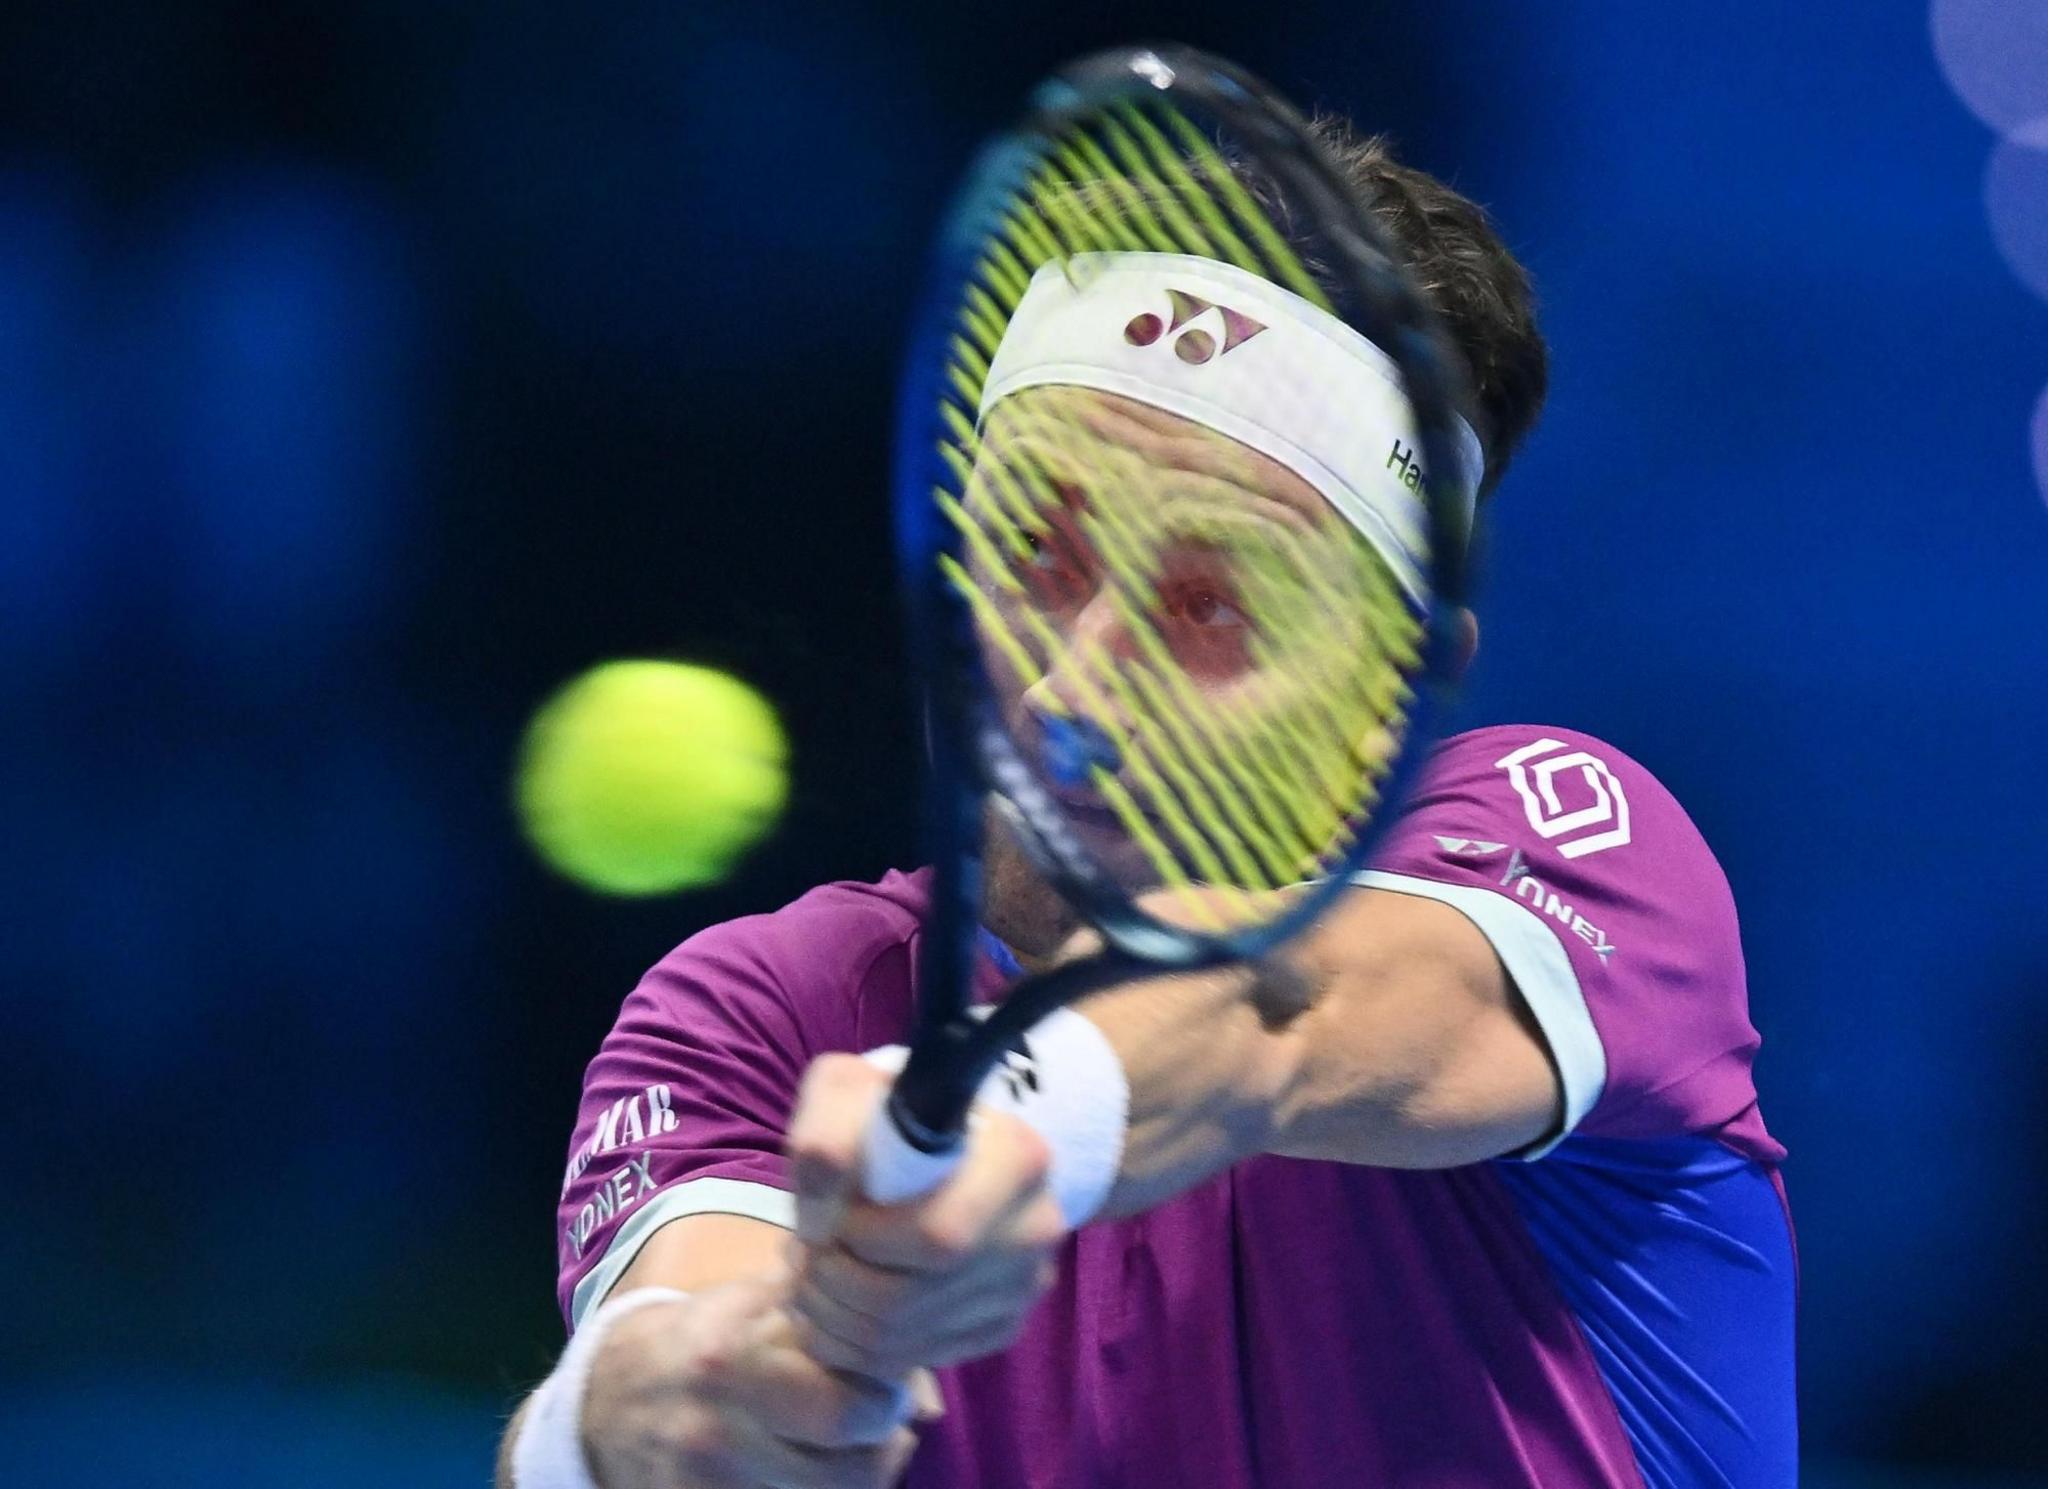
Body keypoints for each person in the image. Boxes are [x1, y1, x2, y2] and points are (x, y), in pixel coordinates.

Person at [499, 120, 1797, 1489]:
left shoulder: (1584, 844)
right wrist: (638, 1419)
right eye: (1032, 552)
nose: (1075, 684)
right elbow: (681, 1339)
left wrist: (1009, 1117)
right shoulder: (763, 1009)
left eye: (1209, 604)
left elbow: (1275, 1014)